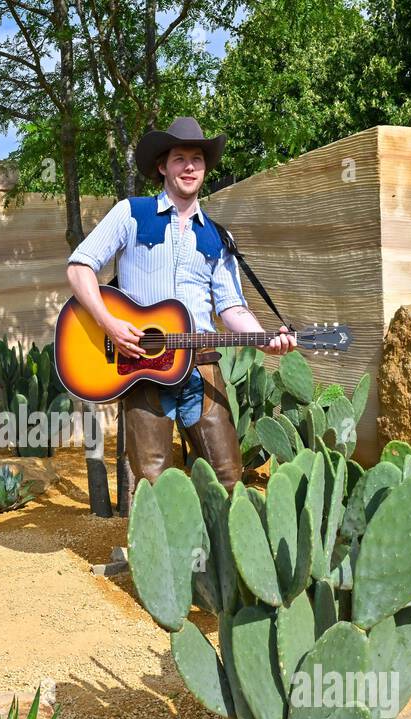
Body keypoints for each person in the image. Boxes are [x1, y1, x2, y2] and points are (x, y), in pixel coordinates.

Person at [65, 116, 299, 493]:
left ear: (206, 169)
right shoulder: (131, 214)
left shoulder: (219, 236)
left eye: (198, 159)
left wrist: (263, 338)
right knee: (152, 483)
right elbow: (79, 267)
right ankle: (154, 553)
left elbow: (231, 307)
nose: (189, 166)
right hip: (144, 366)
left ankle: (215, 553)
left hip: (201, 367)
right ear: (163, 166)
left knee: (226, 478)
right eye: (180, 158)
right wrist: (109, 323)